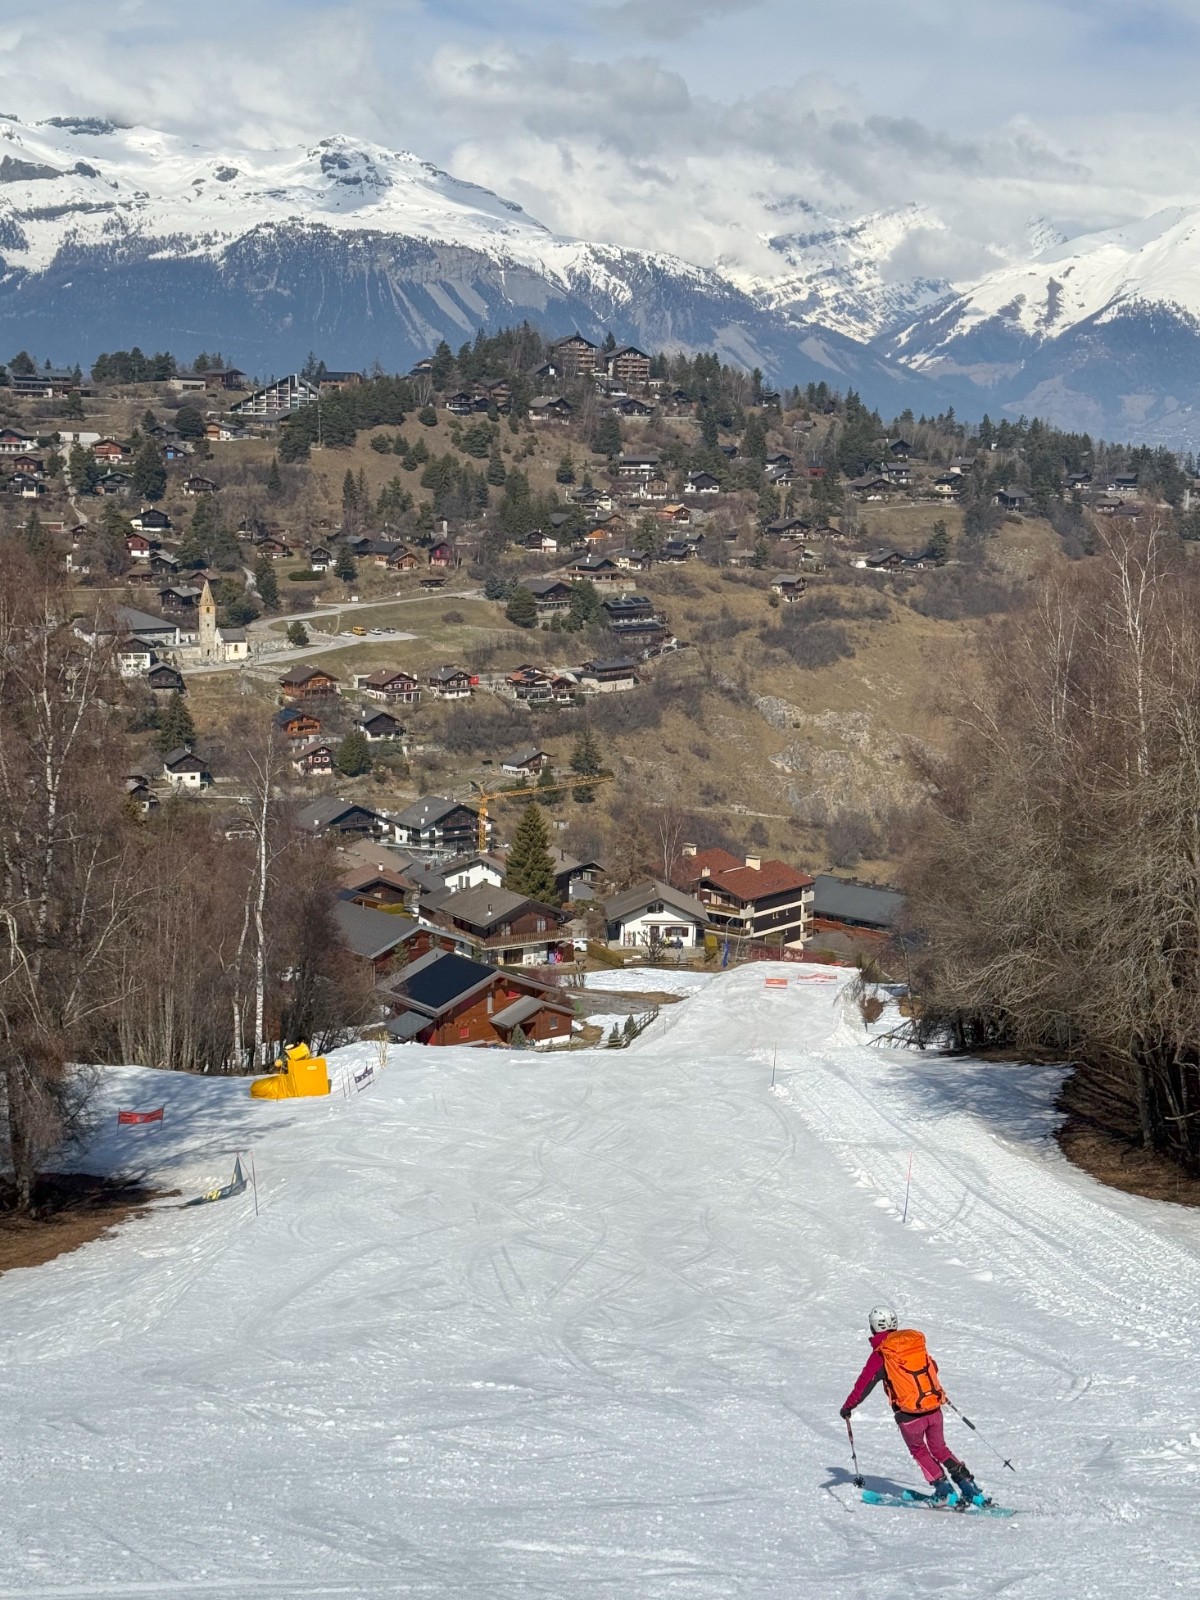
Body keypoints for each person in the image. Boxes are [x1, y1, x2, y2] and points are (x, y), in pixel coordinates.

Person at [840, 1306, 983, 1502]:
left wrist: (848, 1407)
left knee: (919, 1450)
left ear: (873, 1328)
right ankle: (970, 1489)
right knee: (940, 1449)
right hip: (933, 1408)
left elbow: (864, 1384)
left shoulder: (883, 1353)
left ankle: (944, 1491)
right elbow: (933, 1368)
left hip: (909, 1414)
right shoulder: (914, 1345)